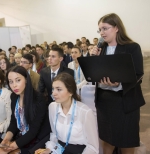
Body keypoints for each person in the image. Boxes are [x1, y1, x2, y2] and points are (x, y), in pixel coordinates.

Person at [91, 13, 145, 154]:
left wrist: (119, 84)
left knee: (126, 141)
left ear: (116, 28)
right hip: (105, 103)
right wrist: (93, 59)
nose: (102, 33)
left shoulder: (132, 47)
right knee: (107, 141)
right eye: (100, 30)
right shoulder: (100, 49)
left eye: (105, 28)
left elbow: (138, 73)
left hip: (125, 102)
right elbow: (92, 73)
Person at [35, 73, 99, 154]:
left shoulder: (85, 112)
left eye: (59, 89)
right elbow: (54, 135)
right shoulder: (52, 107)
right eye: (53, 89)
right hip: (60, 148)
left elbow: (93, 147)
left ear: (71, 92)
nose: (54, 93)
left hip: (80, 150)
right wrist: (49, 149)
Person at [0, 66, 50, 154]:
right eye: (11, 82)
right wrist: (7, 139)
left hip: (37, 141)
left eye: (18, 80)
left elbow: (33, 131)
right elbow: (14, 122)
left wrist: (12, 147)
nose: (14, 85)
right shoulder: (14, 97)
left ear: (26, 79)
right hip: (21, 137)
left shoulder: (38, 99)